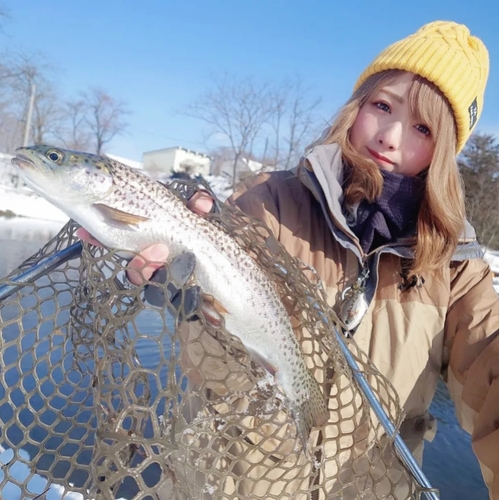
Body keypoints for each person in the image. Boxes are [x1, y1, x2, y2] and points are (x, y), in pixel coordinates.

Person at [80, 20, 498, 499]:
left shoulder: (458, 267)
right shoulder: (269, 205)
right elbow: (218, 369)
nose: (390, 136)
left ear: (442, 152)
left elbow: (492, 368)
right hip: (232, 484)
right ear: (356, 106)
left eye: (422, 127)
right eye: (383, 106)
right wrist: (190, 303)